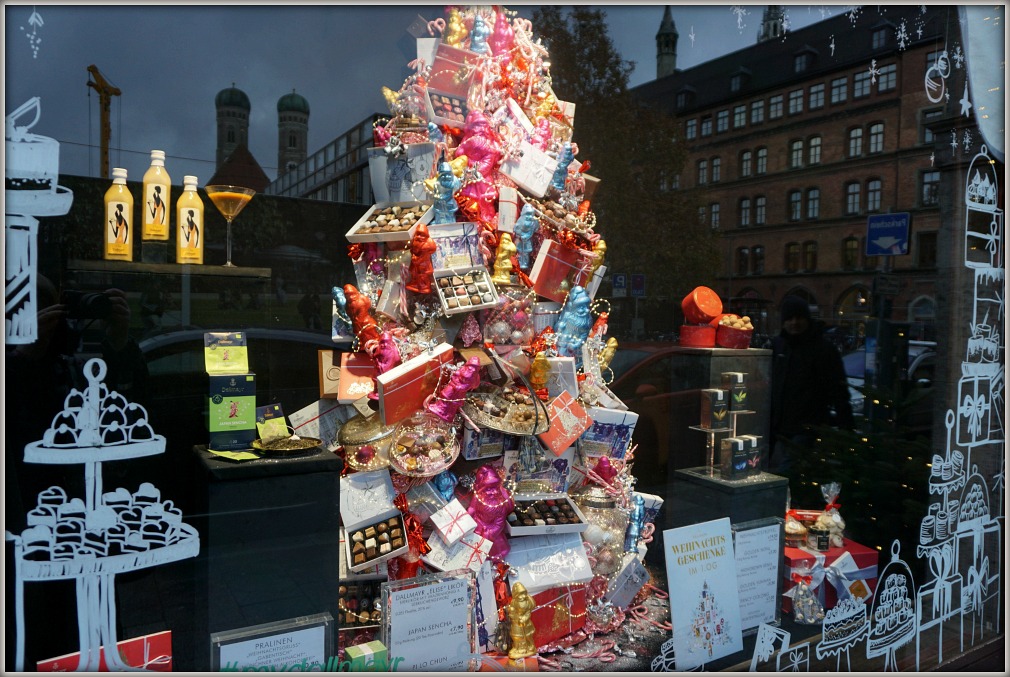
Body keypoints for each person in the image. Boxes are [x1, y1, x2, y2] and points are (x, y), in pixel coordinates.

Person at [768, 295, 854, 473]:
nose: (794, 323)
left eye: (799, 318)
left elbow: (838, 389)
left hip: (806, 426)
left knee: (787, 473)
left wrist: (846, 426)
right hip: (778, 426)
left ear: (807, 319)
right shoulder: (778, 346)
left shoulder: (823, 349)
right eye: (789, 318)